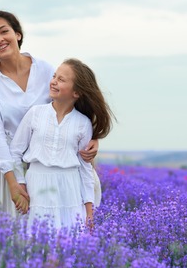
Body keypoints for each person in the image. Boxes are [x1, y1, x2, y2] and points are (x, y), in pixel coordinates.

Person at [0, 10, 100, 224]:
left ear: (18, 35)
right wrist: (13, 182)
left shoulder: (44, 70)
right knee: (9, 233)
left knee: (58, 228)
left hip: (45, 160)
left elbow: (71, 106)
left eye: (4, 32)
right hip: (5, 165)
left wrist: (93, 137)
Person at [9, 58, 114, 230]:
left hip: (69, 187)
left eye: (61, 80)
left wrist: (89, 212)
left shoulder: (83, 123)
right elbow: (15, 152)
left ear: (76, 93)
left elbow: (85, 168)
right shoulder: (36, 113)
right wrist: (20, 184)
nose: (54, 82)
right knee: (36, 242)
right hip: (37, 184)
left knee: (68, 242)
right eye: (54, 76)